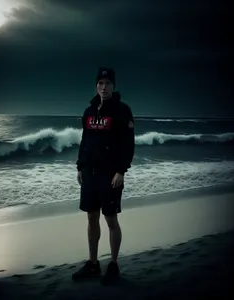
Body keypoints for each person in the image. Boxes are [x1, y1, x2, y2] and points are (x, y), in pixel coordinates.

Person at [72, 67, 135, 285]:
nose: (104, 87)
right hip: (89, 173)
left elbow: (128, 144)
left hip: (110, 175)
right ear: (96, 86)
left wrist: (121, 171)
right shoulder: (89, 111)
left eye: (108, 83)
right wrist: (80, 166)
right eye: (100, 83)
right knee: (91, 217)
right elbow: (84, 140)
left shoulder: (122, 110)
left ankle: (114, 265)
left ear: (113, 86)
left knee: (110, 219)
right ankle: (93, 263)